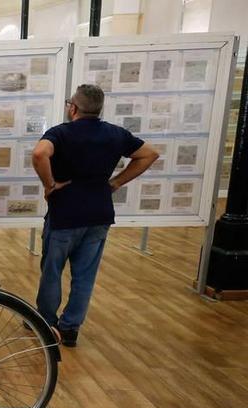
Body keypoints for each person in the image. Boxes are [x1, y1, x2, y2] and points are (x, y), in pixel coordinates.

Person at [32, 84, 159, 347]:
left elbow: (39, 153)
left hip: (65, 213)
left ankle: (46, 322)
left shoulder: (60, 133)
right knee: (85, 274)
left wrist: (50, 184)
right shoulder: (115, 134)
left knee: (53, 270)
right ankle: (70, 329)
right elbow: (149, 154)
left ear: (73, 108)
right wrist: (116, 183)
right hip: (99, 213)